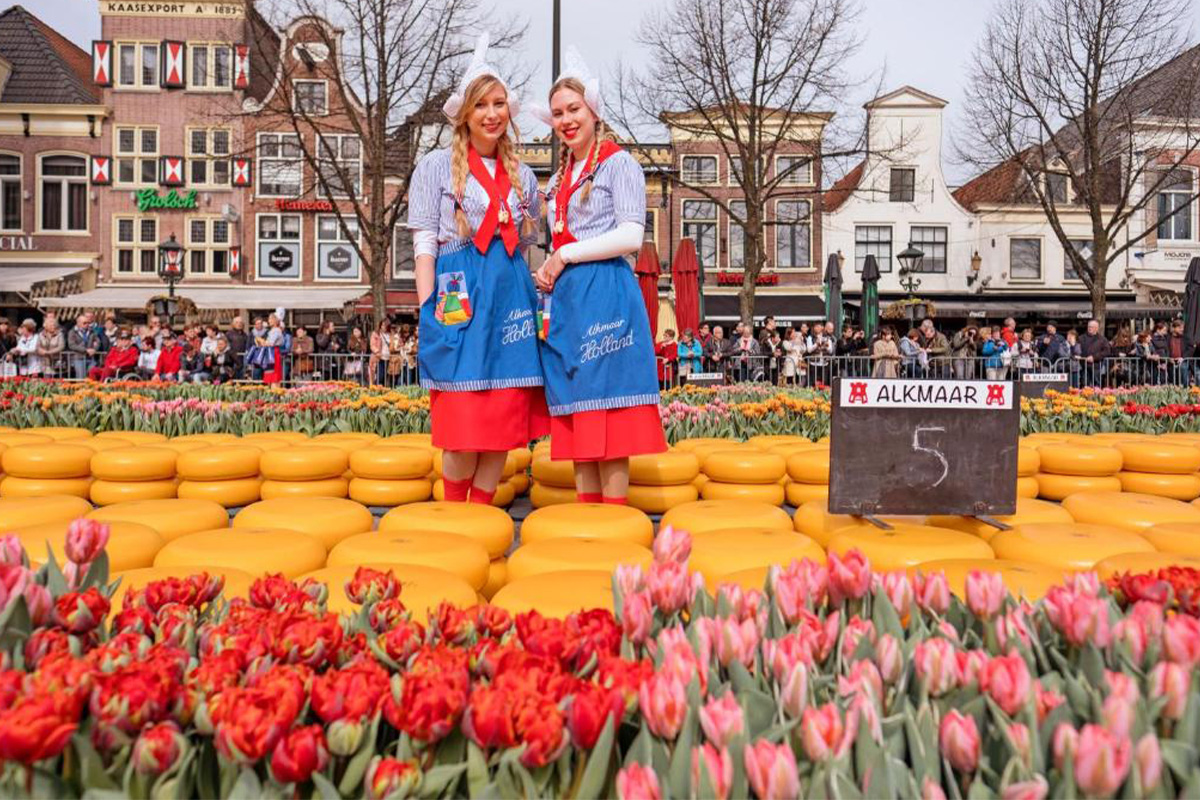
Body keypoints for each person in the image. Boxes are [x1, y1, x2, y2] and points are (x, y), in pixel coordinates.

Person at [408, 34, 549, 505]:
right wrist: (427, 307)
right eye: (481, 105)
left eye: (499, 103)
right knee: (462, 421)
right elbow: (424, 242)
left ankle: (481, 515)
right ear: (464, 113)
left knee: (501, 424)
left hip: (508, 297)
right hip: (458, 289)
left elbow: (525, 242)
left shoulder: (524, 176)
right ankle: (454, 513)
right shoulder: (434, 166)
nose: (492, 114)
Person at [531, 48, 667, 504]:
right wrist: (549, 266)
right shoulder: (559, 178)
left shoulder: (619, 163)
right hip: (570, 300)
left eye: (574, 109)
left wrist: (564, 254)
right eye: (558, 114)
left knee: (609, 417)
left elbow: (630, 235)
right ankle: (589, 518)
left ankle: (613, 520)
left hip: (606, 292)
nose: (566, 120)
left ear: (593, 111)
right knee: (580, 412)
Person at [67, 314, 102, 380]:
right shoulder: (72, 332)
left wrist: (94, 349)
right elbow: (72, 345)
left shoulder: (92, 331)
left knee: (92, 377)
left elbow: (98, 342)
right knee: (81, 378)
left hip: (90, 358)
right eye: (84, 323)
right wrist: (85, 350)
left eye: (88, 322)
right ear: (78, 323)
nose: (87, 324)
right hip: (79, 358)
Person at [1078, 319, 1110, 386]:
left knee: (1096, 385)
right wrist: (1077, 355)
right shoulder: (1081, 338)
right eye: (1089, 326)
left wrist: (1094, 357)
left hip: (1096, 365)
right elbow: (1077, 349)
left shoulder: (1102, 339)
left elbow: (1106, 351)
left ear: (1096, 328)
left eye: (1092, 327)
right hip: (1084, 365)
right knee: (1084, 384)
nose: (1090, 328)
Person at [369, 319, 391, 386]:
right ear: (380, 325)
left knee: (385, 376)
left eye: (386, 325)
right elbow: (372, 345)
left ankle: (383, 389)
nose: (384, 327)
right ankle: (376, 388)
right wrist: (377, 351)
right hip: (379, 357)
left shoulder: (390, 334)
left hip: (388, 357)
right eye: (383, 325)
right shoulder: (376, 334)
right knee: (380, 375)